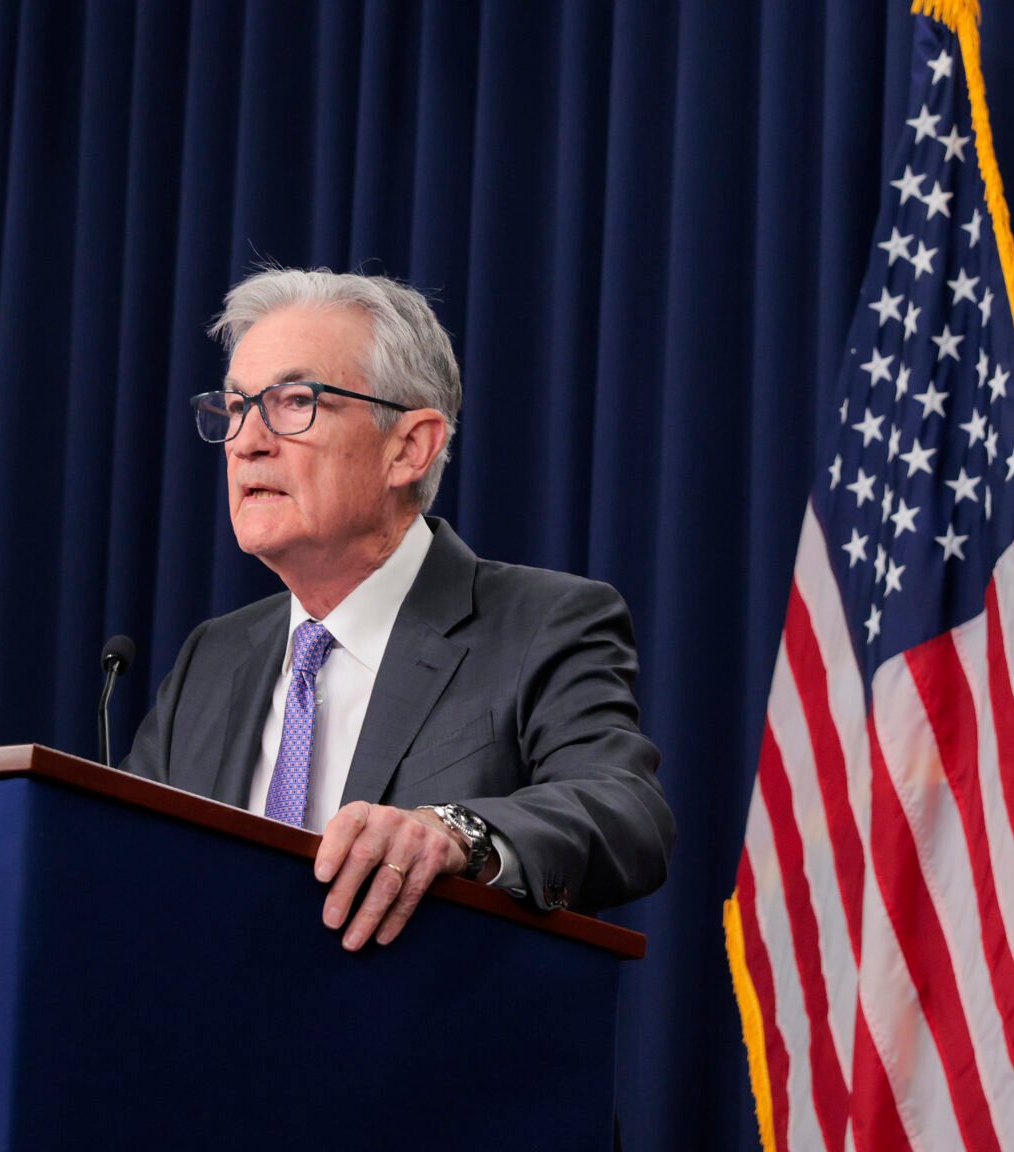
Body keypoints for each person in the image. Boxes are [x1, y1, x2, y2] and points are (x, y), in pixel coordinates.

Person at [122, 267, 674, 950]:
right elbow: (120, 864)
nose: (246, 442)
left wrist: (455, 833)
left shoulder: (543, 623)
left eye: (294, 402)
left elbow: (626, 813)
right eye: (236, 407)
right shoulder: (213, 657)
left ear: (409, 447)